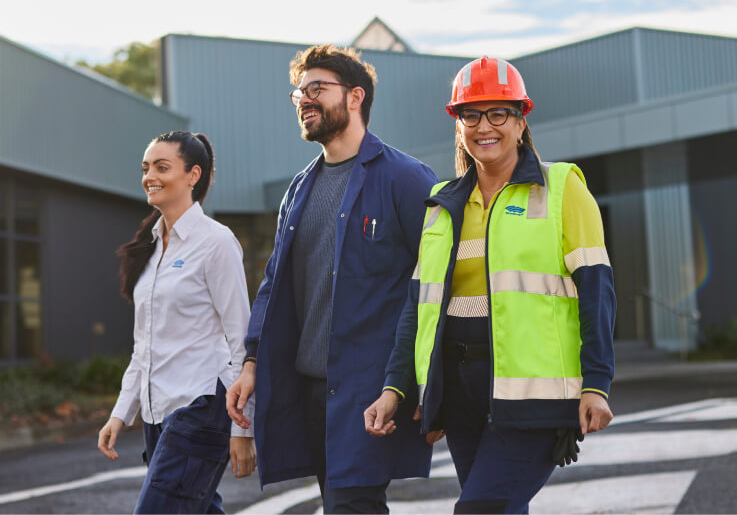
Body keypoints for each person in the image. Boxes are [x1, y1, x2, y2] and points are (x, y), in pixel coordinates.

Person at [364, 57, 616, 514]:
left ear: (521, 121)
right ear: (458, 125)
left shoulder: (561, 188)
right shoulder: (442, 206)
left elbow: (597, 291)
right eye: (471, 114)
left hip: (534, 399)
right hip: (460, 395)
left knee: (478, 509)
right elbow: (417, 310)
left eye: (498, 113)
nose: (485, 126)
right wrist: (396, 388)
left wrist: (596, 383)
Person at [226, 45, 439, 513]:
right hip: (309, 392)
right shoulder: (299, 189)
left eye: (317, 89)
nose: (304, 100)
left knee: (351, 506)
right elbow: (273, 285)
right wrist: (251, 362)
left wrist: (418, 381)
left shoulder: (406, 180)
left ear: (355, 97)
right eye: (298, 93)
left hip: (370, 389)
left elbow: (433, 289)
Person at [97, 130, 256, 514]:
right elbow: (144, 346)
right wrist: (121, 412)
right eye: (146, 167)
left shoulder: (216, 242)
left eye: (162, 167)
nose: (150, 175)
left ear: (193, 175)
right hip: (157, 413)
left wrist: (242, 429)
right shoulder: (149, 249)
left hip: (201, 406)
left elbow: (243, 340)